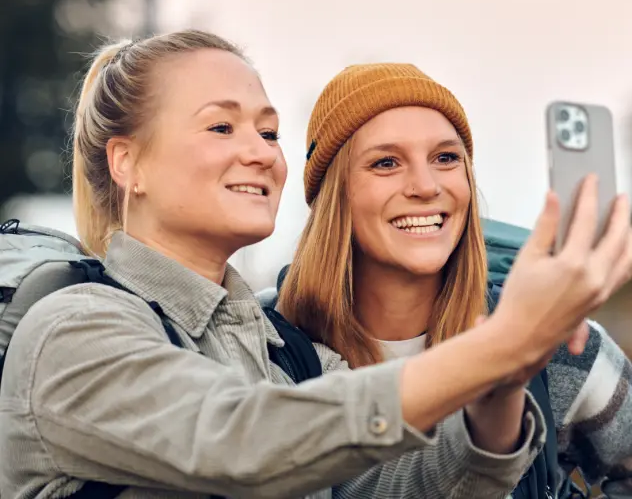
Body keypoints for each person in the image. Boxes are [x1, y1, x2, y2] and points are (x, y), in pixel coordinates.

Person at [0, 30, 608, 499]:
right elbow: (245, 439)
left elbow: (376, 488)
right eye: (221, 126)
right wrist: (497, 347)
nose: (259, 153)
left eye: (268, 133)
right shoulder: (73, 330)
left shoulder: (282, 352)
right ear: (127, 163)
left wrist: (497, 397)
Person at [278, 63, 632, 497]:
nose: (426, 186)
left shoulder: (557, 347)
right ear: (335, 195)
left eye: (446, 158)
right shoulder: (264, 347)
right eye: (386, 162)